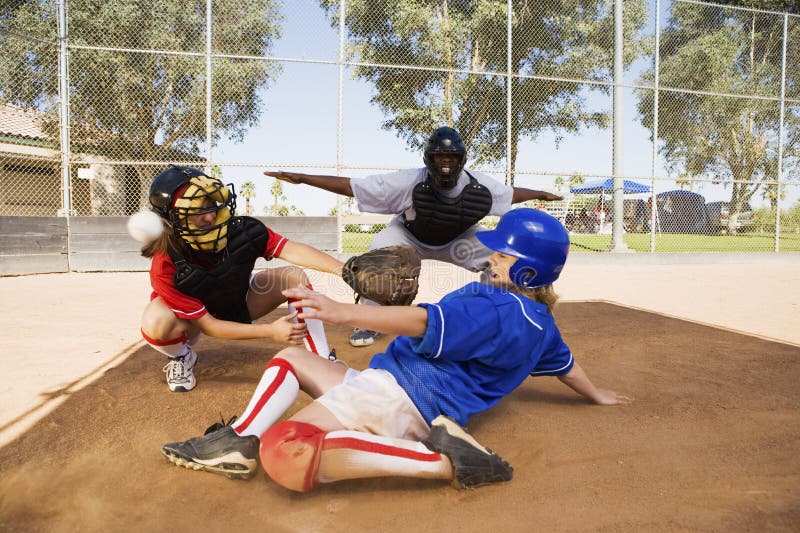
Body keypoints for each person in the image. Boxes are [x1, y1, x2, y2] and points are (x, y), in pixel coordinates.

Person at [161, 208, 633, 492]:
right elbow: (565, 365)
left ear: (529, 273)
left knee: (284, 450)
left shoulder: (496, 307)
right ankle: (238, 440)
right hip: (389, 388)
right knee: (293, 358)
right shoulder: (541, 324)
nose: (491, 257)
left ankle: (443, 461)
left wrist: (340, 312)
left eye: (503, 256)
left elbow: (425, 321)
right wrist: (596, 394)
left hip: (402, 401)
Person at [264, 126, 563, 348]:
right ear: (428, 159)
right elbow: (353, 187)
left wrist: (538, 193)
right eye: (439, 156)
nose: (446, 163)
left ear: (462, 159)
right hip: (409, 235)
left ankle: (496, 313)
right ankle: (368, 320)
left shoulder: (479, 185)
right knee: (377, 258)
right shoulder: (409, 181)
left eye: (452, 157)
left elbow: (510, 195)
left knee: (501, 259)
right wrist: (304, 179)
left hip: (459, 239)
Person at [140, 166, 344, 393]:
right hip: (195, 323)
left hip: (239, 300)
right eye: (197, 210)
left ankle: (321, 360)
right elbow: (210, 326)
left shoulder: (240, 230)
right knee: (156, 319)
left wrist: (344, 270)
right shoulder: (165, 264)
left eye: (211, 205)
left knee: (293, 277)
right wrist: (270, 331)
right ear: (171, 220)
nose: (210, 216)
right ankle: (181, 356)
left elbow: (291, 249)